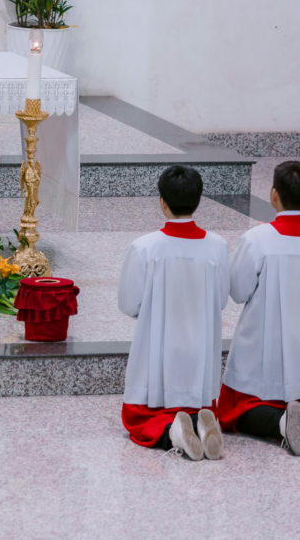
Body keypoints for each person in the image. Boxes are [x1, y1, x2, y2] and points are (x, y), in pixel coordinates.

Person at [118, 165, 229, 460]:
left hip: (159, 351)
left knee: (137, 416)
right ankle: (200, 424)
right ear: (198, 200)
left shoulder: (144, 247)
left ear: (162, 202)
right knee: (199, 404)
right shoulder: (217, 247)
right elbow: (220, 301)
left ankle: (172, 431)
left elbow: (128, 304)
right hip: (199, 355)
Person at [218, 161, 300, 455]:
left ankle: (281, 423)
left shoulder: (257, 239)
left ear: (273, 194)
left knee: (236, 409)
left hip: (265, 352)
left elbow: (238, 292)